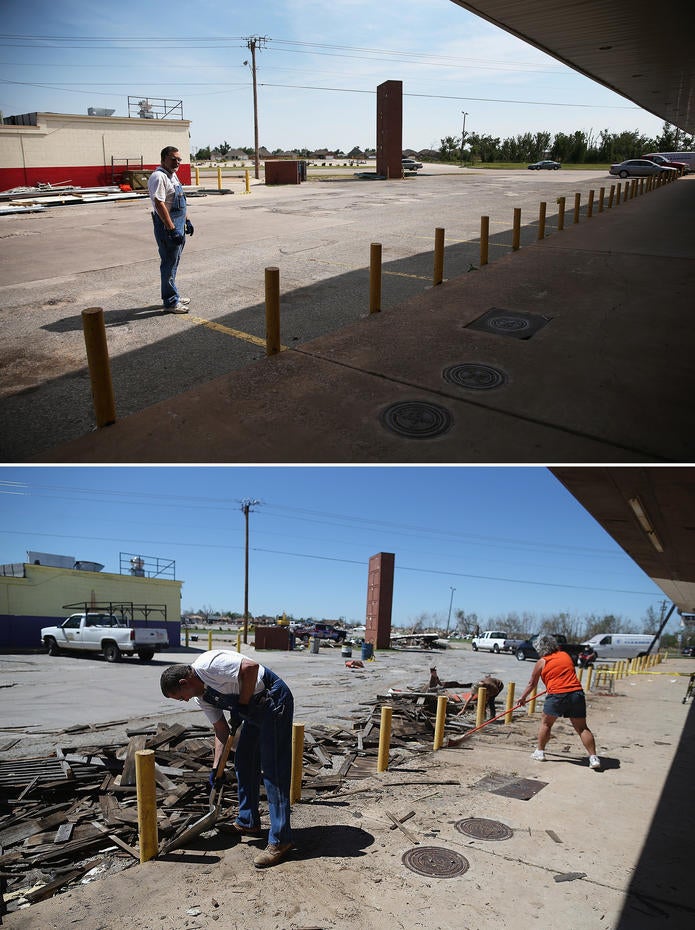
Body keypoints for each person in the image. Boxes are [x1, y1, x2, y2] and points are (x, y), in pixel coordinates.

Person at [160, 650, 294, 867]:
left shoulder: (209, 665)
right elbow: (221, 730)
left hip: (273, 700)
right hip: (251, 710)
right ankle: (248, 821)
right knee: (244, 761)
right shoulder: (202, 697)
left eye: (181, 696)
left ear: (185, 682)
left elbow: (250, 668)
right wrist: (216, 768)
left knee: (273, 771)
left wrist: (241, 705)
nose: (185, 700)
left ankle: (281, 839)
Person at [518, 635, 601, 770]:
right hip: (576, 693)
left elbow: (531, 684)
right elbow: (567, 673)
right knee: (582, 728)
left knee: (546, 724)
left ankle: (539, 752)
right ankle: (593, 758)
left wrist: (522, 698)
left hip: (557, 695)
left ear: (540, 648)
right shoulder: (565, 655)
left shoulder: (542, 662)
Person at [148, 146, 194, 313]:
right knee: (168, 264)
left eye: (179, 159)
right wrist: (172, 229)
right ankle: (170, 301)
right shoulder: (159, 177)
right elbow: (160, 204)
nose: (177, 162)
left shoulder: (172, 176)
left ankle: (172, 294)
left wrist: (187, 221)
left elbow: (179, 201)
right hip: (168, 228)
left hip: (178, 226)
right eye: (173, 159)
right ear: (163, 159)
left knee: (173, 263)